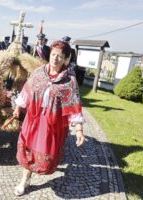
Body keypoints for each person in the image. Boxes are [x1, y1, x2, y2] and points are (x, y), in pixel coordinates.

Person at [13, 40, 85, 196]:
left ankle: (42, 167)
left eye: (60, 56)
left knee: (45, 152)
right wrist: (19, 107)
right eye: (53, 55)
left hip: (52, 123)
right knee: (28, 148)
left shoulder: (69, 81)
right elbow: (27, 90)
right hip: (33, 119)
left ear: (66, 59)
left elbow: (74, 104)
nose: (55, 59)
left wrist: (79, 129)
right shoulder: (39, 72)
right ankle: (24, 179)